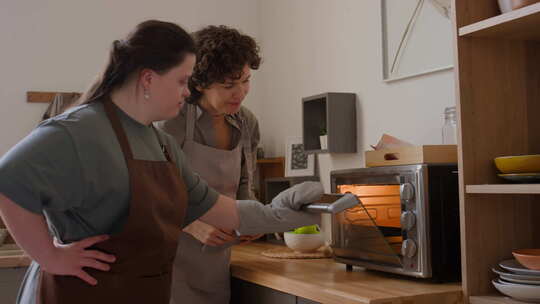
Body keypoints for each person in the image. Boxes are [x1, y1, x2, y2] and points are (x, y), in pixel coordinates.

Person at [0, 20, 322, 304]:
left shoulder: (160, 143)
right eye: (182, 81)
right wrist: (50, 256)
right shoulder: (79, 130)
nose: (188, 92)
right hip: (80, 293)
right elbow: (7, 181)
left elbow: (218, 208)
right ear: (148, 79)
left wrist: (279, 214)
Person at [157, 25, 262, 304]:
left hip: (215, 260)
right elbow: (149, 191)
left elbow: (244, 185)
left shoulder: (246, 122)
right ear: (199, 83)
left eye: (246, 80)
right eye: (229, 85)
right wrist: (191, 224)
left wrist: (251, 218)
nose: (240, 92)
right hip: (168, 256)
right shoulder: (172, 122)